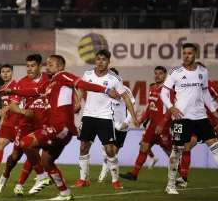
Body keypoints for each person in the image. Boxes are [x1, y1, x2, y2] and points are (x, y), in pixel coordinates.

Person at [0, 55, 121, 200]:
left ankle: (41, 176)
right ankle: (64, 193)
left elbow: (82, 84)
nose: (47, 66)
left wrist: (106, 90)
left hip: (61, 127)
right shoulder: (50, 83)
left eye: (51, 64)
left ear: (60, 67)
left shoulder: (63, 76)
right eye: (47, 64)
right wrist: (12, 92)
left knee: (25, 142)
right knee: (46, 161)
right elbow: (34, 91)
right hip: (59, 129)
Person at [160, 43, 218, 194]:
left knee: (216, 149)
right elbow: (163, 93)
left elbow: (204, 92)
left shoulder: (203, 71)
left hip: (201, 117)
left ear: (195, 54)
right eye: (184, 53)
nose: (186, 56)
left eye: (189, 53)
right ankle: (170, 185)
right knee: (177, 151)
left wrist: (213, 111)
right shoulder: (175, 72)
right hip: (181, 118)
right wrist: (171, 107)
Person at [74, 49, 139, 189]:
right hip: (89, 116)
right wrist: (78, 102)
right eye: (98, 59)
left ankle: (115, 180)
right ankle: (83, 179)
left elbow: (126, 97)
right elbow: (80, 89)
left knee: (110, 150)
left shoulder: (114, 78)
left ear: (108, 62)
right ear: (95, 60)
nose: (100, 62)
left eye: (104, 59)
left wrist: (133, 117)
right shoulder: (88, 74)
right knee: (83, 147)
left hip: (105, 117)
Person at [0, 54, 52, 197]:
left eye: (32, 66)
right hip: (24, 124)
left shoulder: (48, 78)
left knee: (32, 151)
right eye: (27, 66)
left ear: (40, 66)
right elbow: (12, 105)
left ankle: (21, 184)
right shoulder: (21, 83)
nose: (29, 69)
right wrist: (23, 111)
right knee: (15, 155)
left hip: (41, 124)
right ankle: (5, 174)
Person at [174, 62, 218, 188]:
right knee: (187, 146)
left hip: (214, 124)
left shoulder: (210, 85)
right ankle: (183, 179)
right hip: (197, 122)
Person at [120, 66, 174, 181]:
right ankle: (134, 174)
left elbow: (171, 109)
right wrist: (141, 120)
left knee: (171, 152)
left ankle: (182, 176)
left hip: (163, 127)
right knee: (143, 148)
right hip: (152, 127)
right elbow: (150, 108)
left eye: (160, 73)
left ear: (165, 75)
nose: (157, 75)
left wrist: (163, 123)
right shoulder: (153, 88)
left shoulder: (168, 90)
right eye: (156, 73)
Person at [97, 67, 136, 182]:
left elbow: (132, 105)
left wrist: (127, 121)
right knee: (106, 148)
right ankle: (104, 171)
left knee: (114, 152)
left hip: (121, 126)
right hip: (107, 123)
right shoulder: (103, 90)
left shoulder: (124, 90)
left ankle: (109, 170)